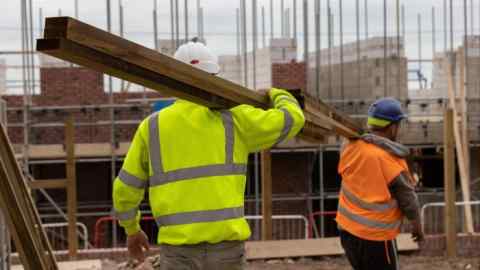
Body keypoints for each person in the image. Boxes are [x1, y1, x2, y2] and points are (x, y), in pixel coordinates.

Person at [112, 38, 305, 270]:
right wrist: (277, 94)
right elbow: (294, 118)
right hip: (227, 254)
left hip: (178, 255)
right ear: (213, 77)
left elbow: (125, 188)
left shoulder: (152, 127)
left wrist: (132, 229)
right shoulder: (235, 119)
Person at [335, 97, 423, 270]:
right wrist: (417, 226)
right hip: (376, 238)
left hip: (347, 232)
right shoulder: (390, 160)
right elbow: (408, 199)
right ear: (392, 127)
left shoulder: (348, 147)